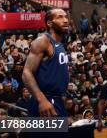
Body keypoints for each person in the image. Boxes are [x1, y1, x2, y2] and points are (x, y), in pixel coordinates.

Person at [21, 8, 70, 137]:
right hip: (45, 101)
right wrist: (41, 100)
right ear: (49, 23)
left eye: (66, 17)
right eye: (60, 17)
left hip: (56, 100)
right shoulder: (43, 41)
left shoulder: (60, 44)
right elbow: (26, 72)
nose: (65, 20)